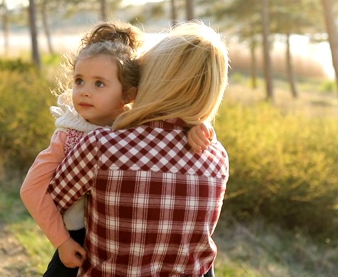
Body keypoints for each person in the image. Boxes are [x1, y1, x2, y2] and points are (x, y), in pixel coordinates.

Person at [20, 21, 213, 277]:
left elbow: (169, 129)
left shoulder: (132, 127)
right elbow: (31, 189)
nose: (84, 92)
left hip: (122, 236)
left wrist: (198, 127)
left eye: (99, 84)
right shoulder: (69, 135)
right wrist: (61, 241)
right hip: (77, 235)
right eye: (79, 81)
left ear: (129, 95)